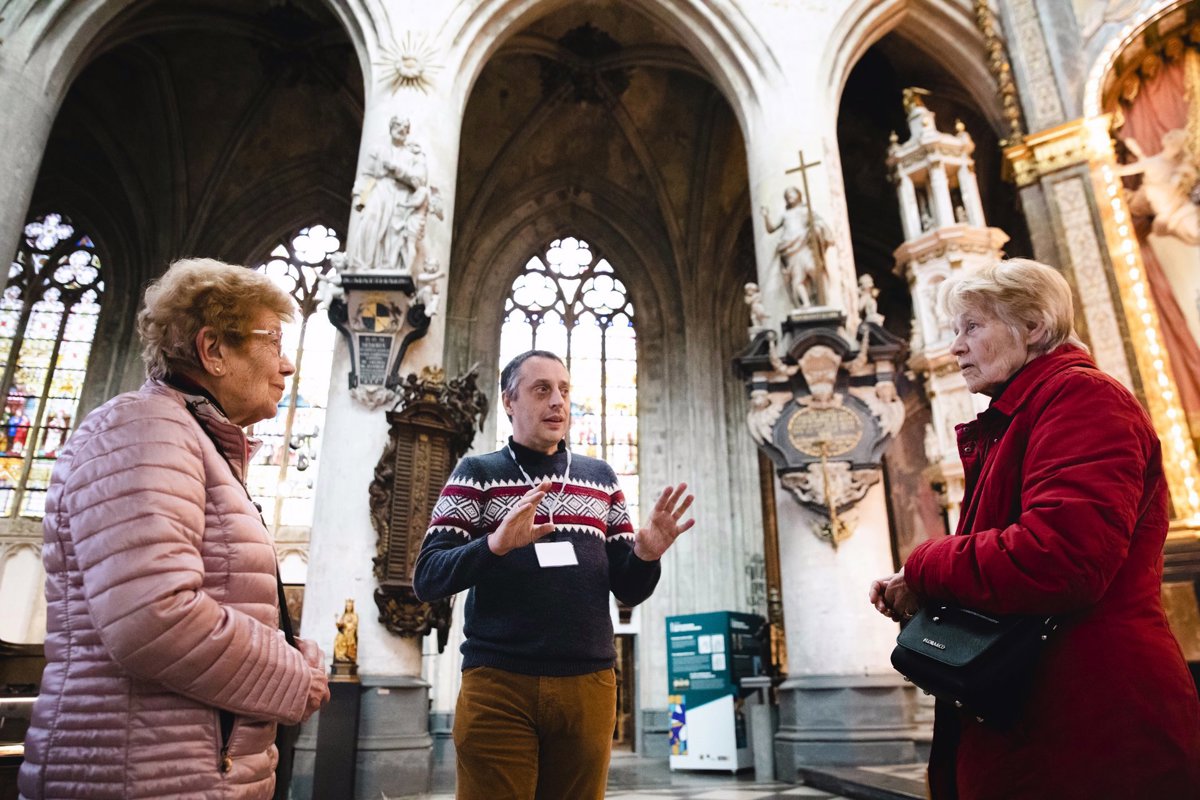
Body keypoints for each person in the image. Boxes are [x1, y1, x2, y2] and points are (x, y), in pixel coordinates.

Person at [868, 259, 1200, 799]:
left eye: (971, 326)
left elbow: (1061, 557)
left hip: (1091, 724)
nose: (956, 347)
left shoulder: (1083, 400)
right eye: (955, 330)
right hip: (1040, 718)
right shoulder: (1021, 416)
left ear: (1033, 327)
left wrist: (925, 565)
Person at [19, 258, 330, 800]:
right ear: (213, 350)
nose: (287, 366)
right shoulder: (142, 428)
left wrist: (289, 645)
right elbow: (152, 617)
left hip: (188, 768)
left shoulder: (191, 439)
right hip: (138, 772)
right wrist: (293, 675)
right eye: (273, 341)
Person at [413, 349, 695, 800]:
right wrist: (495, 544)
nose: (557, 402)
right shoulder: (478, 474)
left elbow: (628, 589)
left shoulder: (600, 478)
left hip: (588, 683)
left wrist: (645, 554)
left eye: (564, 390)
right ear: (509, 401)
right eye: (541, 390)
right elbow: (427, 576)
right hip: (498, 682)